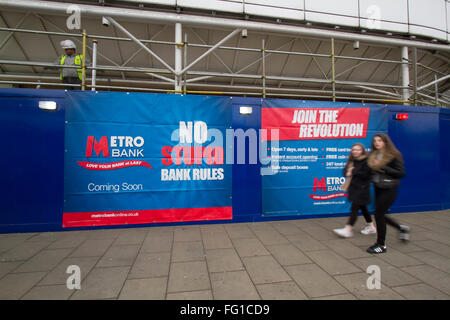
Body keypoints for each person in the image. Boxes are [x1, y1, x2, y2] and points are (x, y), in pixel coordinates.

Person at [366, 133, 410, 254]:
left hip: (389, 189)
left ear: (385, 142)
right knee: (381, 215)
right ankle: (402, 228)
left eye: (379, 140)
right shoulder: (373, 155)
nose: (377, 143)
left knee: (379, 214)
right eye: (375, 141)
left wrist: (385, 167)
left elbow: (401, 173)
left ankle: (381, 245)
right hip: (378, 187)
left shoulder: (393, 155)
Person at [333, 143, 376, 238]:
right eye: (354, 150)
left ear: (362, 151)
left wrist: (353, 171)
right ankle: (372, 227)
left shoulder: (366, 161)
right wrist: (348, 172)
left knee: (354, 208)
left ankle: (348, 229)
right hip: (354, 188)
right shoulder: (351, 161)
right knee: (363, 208)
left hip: (362, 189)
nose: (355, 151)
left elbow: (366, 175)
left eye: (358, 150)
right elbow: (345, 171)